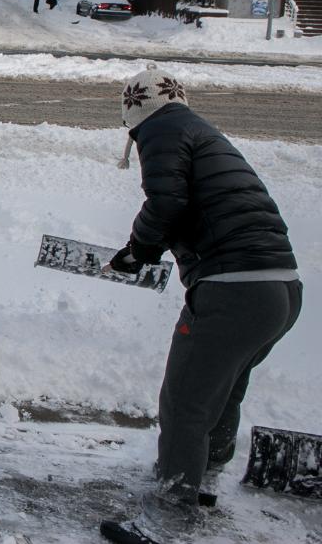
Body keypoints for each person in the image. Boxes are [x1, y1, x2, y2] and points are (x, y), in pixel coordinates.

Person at [100, 67, 302, 544]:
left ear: (134, 107)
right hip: (281, 290)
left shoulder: (161, 128)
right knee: (222, 396)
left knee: (185, 403)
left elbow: (166, 201)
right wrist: (140, 250)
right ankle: (203, 482)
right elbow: (190, 205)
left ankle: (169, 518)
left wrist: (140, 248)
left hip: (233, 291)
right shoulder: (200, 130)